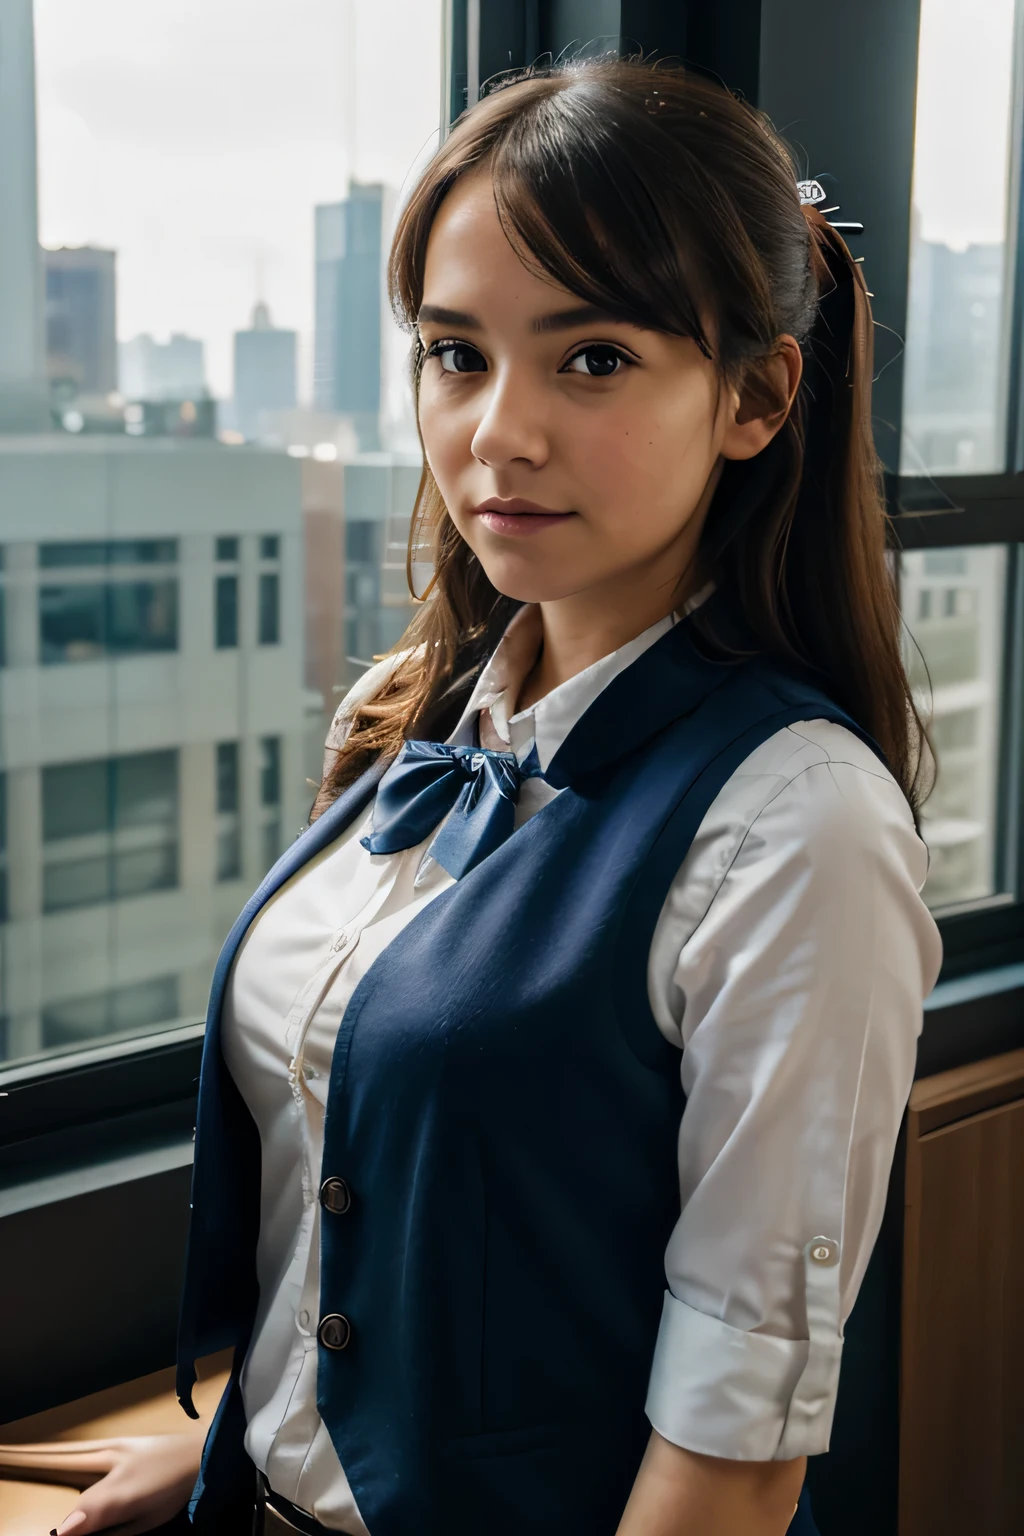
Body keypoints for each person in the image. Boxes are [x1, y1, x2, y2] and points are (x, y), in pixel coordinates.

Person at [45, 56, 941, 1536]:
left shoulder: (800, 831)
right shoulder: (409, 714)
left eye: (592, 358)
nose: (496, 434)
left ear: (757, 396)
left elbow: (733, 1448)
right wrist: (248, 1456)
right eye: (457, 354)